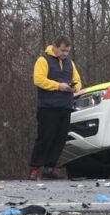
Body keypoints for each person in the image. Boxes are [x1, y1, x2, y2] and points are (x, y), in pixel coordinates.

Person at [30, 36, 82, 180]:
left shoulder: (70, 63)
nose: (65, 54)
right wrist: (58, 86)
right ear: (55, 47)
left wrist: (74, 87)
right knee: (45, 137)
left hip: (65, 106)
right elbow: (39, 80)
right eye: (63, 50)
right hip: (47, 107)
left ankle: (50, 167)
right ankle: (35, 167)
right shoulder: (43, 60)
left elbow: (77, 80)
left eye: (67, 51)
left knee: (60, 138)